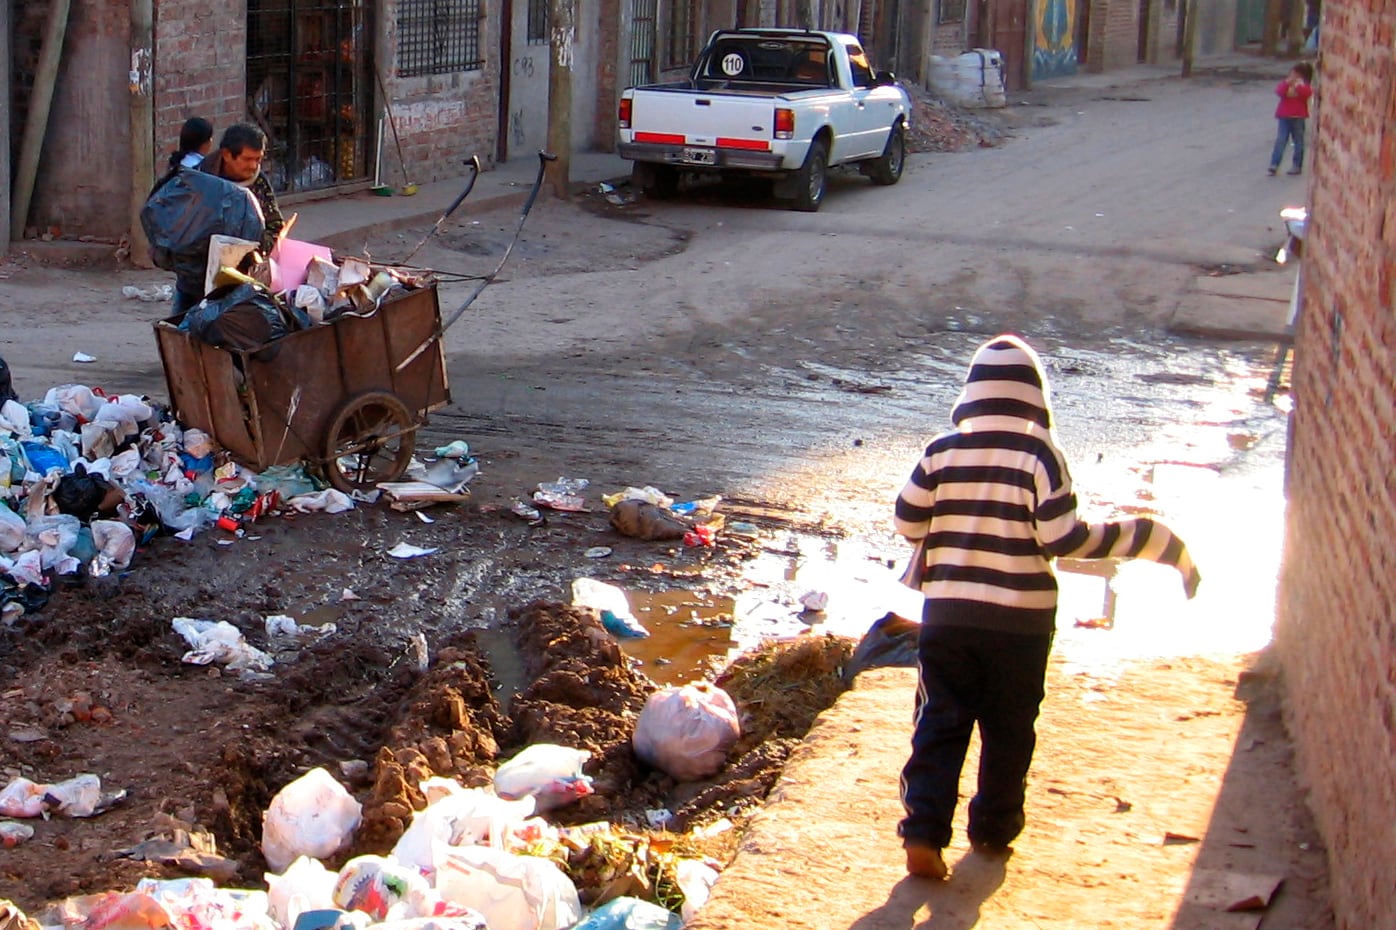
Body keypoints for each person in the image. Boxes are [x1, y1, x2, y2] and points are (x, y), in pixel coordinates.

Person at [893, 334, 1201, 881]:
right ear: (1035, 397)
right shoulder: (1040, 455)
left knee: (939, 721)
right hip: (1021, 624)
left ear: (971, 394)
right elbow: (1062, 538)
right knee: (1010, 727)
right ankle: (994, 829)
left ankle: (923, 830)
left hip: (948, 618)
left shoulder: (941, 451)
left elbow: (907, 520)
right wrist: (1141, 536)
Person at [199, 122, 285, 250]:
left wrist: (261, 247)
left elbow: (275, 226)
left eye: (258, 159)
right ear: (227, 155)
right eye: (247, 159)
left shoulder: (259, 182)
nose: (253, 166)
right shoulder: (200, 179)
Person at [1268, 62, 1314, 176]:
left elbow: (1307, 94)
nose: (1292, 75)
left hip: (1298, 116)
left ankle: (1296, 165)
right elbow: (1279, 91)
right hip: (1284, 116)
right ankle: (1274, 164)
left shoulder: (1304, 85)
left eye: (1295, 74)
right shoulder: (1287, 83)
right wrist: (1287, 83)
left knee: (1298, 141)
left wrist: (1298, 85)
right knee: (1281, 140)